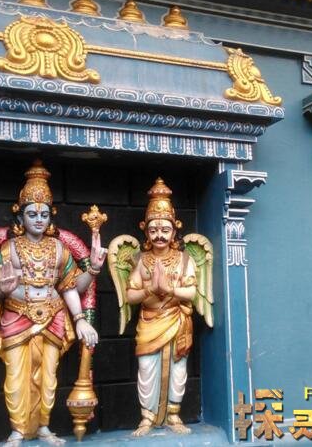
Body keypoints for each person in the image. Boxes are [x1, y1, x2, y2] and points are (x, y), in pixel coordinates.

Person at [0, 160, 106, 446]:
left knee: (49, 377)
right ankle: (18, 429)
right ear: (20, 216)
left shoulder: (59, 248)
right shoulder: (10, 248)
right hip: (16, 317)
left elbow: (70, 287)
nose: (39, 219)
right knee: (16, 376)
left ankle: (43, 427)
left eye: (44, 214)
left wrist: (91, 272)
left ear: (50, 217)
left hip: (53, 316)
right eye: (32, 214)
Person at [126, 178, 197, 437]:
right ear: (144, 230)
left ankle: (173, 414)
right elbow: (130, 295)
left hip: (177, 321)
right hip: (149, 321)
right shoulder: (140, 260)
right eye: (153, 229)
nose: (159, 235)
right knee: (146, 368)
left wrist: (170, 290)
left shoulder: (185, 259)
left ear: (175, 230)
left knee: (178, 368)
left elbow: (192, 292)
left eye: (165, 229)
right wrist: (149, 290)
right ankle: (147, 416)